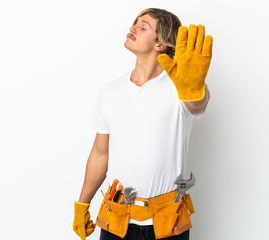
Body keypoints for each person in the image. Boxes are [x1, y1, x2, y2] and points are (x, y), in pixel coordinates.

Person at [73, 7, 213, 240]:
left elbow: (198, 105)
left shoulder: (180, 88)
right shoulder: (110, 92)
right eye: (135, 23)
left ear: (161, 43)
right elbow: (99, 154)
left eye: (143, 26)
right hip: (116, 220)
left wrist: (195, 90)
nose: (132, 28)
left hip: (168, 223)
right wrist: (82, 204)